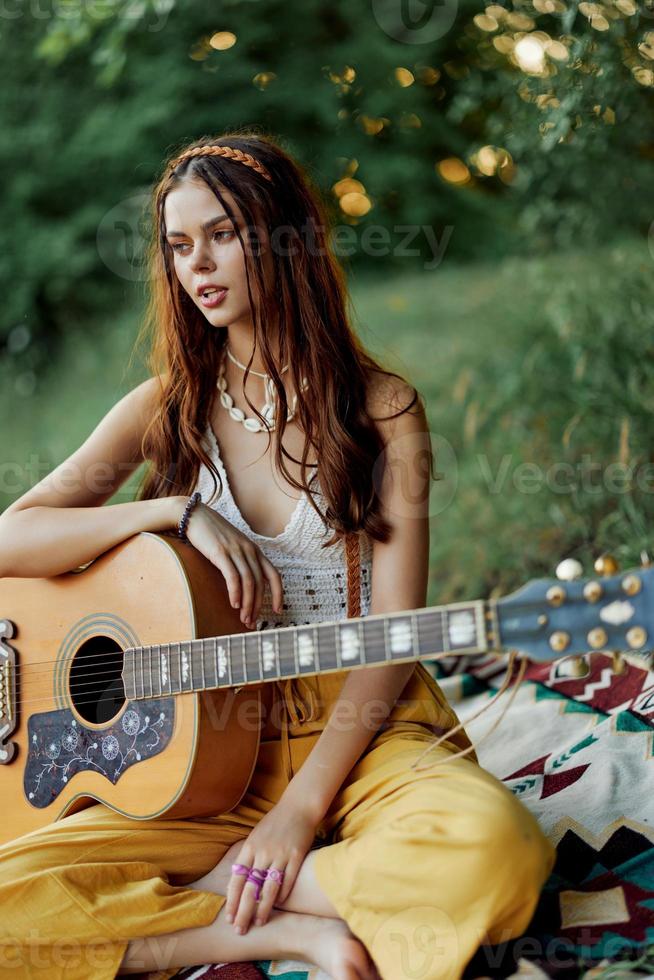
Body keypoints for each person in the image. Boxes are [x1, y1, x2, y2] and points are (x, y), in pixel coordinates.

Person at [0, 131, 556, 980]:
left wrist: (299, 815)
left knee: (496, 856)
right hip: (203, 756)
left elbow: (395, 635)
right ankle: (267, 927)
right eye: (180, 247)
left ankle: (231, 886)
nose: (199, 267)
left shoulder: (380, 410)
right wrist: (174, 511)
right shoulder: (167, 408)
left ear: (283, 234)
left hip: (365, 732)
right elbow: (13, 536)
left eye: (221, 234)